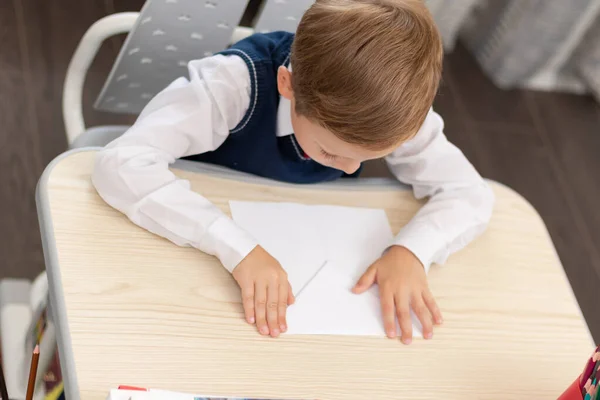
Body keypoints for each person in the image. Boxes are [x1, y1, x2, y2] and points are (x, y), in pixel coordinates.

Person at [92, 0, 494, 345]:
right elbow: (122, 164)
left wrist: (412, 252)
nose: (352, 169)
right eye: (330, 152)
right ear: (288, 84)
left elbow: (470, 195)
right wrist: (235, 246)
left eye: (369, 157)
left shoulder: (393, 112)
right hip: (187, 236)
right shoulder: (233, 84)